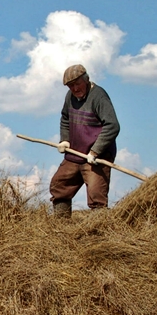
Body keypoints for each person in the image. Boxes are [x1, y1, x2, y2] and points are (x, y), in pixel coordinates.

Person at [49, 64, 120, 218]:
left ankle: (98, 235)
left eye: (77, 84)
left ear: (86, 80)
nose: (74, 89)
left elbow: (112, 126)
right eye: (70, 86)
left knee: (96, 196)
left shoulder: (99, 96)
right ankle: (61, 228)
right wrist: (65, 140)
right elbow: (65, 118)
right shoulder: (70, 97)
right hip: (75, 153)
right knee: (59, 186)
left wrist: (95, 151)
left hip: (96, 157)